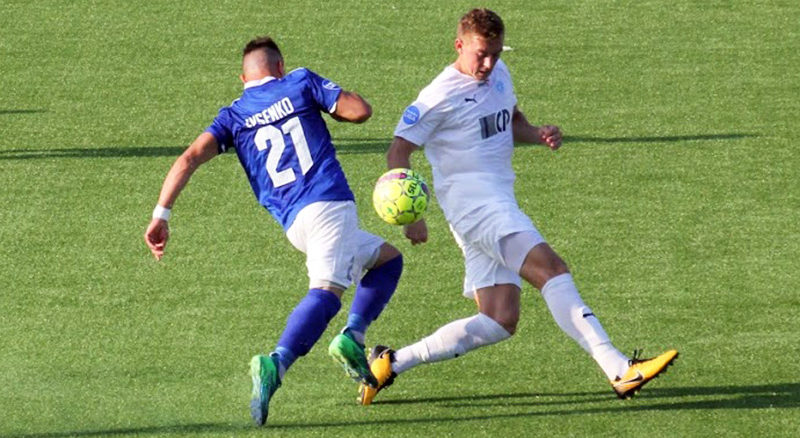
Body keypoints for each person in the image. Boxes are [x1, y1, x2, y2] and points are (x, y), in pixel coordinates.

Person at [358, 9, 677, 405]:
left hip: (496, 200)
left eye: (495, 53)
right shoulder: (438, 96)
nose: (488, 64)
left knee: (499, 319)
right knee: (551, 269)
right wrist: (412, 217)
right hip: (475, 206)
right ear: (459, 45)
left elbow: (510, 121)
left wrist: (537, 133)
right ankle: (617, 368)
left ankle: (389, 363)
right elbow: (398, 152)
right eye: (481, 54)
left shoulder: (498, 73)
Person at [143, 36, 404, 426]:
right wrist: (330, 97)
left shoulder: (233, 117)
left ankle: (354, 335)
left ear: (243, 79)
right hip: (328, 204)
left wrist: (161, 214)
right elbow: (360, 111)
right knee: (326, 292)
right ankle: (277, 362)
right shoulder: (299, 82)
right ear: (280, 67)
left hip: (295, 224)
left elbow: (189, 158)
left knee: (387, 260)